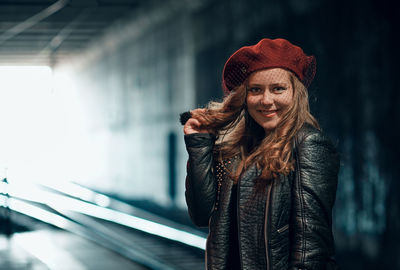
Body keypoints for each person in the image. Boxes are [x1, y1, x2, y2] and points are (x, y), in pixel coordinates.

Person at [182, 38, 339, 270]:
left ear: (296, 94)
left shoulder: (309, 145)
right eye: (256, 90)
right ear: (245, 97)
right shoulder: (237, 149)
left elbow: (310, 252)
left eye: (278, 89)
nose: (266, 101)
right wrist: (199, 144)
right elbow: (201, 215)